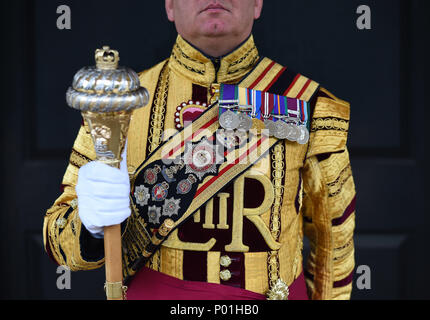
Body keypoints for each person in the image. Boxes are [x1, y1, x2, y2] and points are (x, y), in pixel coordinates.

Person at [43, 0, 356, 300]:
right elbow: (58, 240)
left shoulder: (310, 106)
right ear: (169, 5)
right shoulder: (116, 107)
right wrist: (90, 227)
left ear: (257, 3)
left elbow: (334, 245)